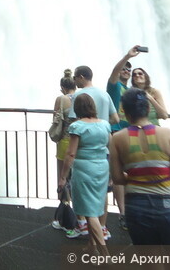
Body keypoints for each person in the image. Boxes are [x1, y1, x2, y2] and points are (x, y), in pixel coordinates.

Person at [109, 88, 170, 245]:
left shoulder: (117, 139)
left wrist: (138, 175)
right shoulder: (167, 134)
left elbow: (117, 178)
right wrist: (161, 172)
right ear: (148, 108)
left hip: (137, 205)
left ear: (124, 111)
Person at [60, 93, 111, 251]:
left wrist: (63, 176)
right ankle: (92, 245)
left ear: (77, 108)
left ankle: (105, 253)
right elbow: (111, 146)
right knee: (94, 205)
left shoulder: (77, 127)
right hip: (102, 167)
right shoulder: (104, 124)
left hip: (84, 169)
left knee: (89, 211)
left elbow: (71, 154)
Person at [106, 46, 144, 229]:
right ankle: (123, 214)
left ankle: (132, 210)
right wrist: (127, 56)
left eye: (129, 69)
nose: (127, 71)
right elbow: (114, 72)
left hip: (130, 134)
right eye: (124, 68)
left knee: (128, 173)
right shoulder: (114, 87)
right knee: (118, 174)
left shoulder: (130, 91)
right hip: (115, 133)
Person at [54, 69, 77, 194]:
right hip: (78, 142)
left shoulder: (61, 99)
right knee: (77, 176)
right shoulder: (82, 98)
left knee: (63, 176)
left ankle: (65, 205)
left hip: (64, 141)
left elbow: (56, 120)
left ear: (62, 87)